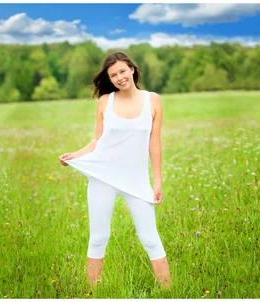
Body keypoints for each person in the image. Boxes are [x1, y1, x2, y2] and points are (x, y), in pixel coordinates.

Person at [58, 52, 171, 289]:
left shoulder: (153, 100)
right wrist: (75, 155)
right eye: (113, 75)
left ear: (131, 69)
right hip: (103, 177)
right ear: (109, 79)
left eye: (122, 71)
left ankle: (168, 291)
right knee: (99, 238)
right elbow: (98, 140)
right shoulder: (104, 102)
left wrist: (157, 181)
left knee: (150, 238)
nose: (119, 77)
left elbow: (155, 143)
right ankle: (93, 292)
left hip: (136, 180)